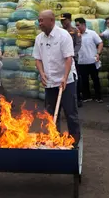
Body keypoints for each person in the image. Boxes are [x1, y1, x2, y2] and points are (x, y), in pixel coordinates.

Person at [33, 10, 81, 145]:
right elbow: (38, 59)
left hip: (66, 81)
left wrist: (65, 77)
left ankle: (74, 141)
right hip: (49, 81)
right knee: (51, 114)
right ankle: (55, 139)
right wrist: (42, 73)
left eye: (42, 20)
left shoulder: (63, 35)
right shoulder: (39, 38)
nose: (40, 23)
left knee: (70, 112)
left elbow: (68, 58)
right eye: (39, 20)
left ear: (52, 21)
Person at [75, 17, 104, 103]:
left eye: (78, 25)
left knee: (95, 79)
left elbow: (100, 43)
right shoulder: (76, 35)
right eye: (76, 25)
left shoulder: (92, 33)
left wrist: (98, 53)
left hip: (92, 60)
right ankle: (86, 96)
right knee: (84, 80)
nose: (77, 27)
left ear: (83, 24)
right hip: (81, 61)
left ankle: (98, 96)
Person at [60, 13, 83, 108]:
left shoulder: (75, 31)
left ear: (69, 20)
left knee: (74, 79)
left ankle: (78, 99)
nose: (63, 22)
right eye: (61, 20)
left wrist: (72, 54)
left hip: (73, 59)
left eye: (64, 20)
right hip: (62, 60)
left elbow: (78, 44)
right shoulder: (60, 31)